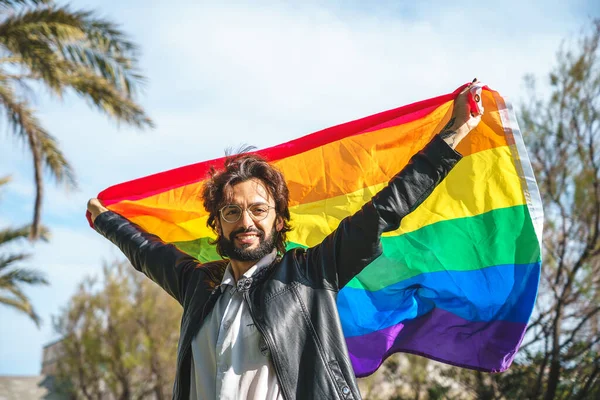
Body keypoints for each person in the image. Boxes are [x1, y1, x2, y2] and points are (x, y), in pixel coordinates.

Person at [87, 82, 483, 400]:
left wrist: (453, 134)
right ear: (218, 224)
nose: (246, 222)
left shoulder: (310, 274)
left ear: (278, 220)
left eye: (259, 210)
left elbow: (382, 211)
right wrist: (104, 219)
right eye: (231, 212)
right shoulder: (198, 285)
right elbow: (146, 251)